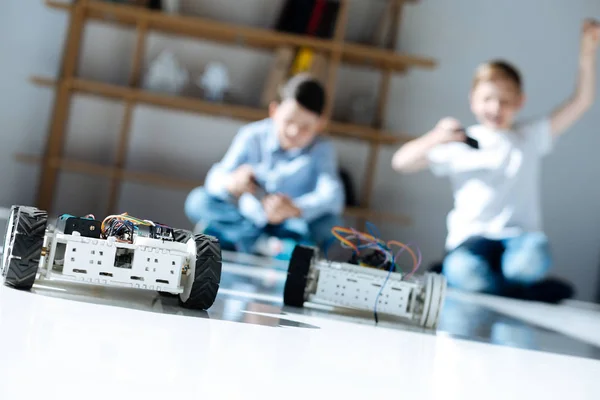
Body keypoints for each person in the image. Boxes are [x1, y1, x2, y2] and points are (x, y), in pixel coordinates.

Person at [391, 20, 600, 295]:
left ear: (520, 101)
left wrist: (588, 51)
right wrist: (436, 136)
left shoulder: (529, 137)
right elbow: (401, 162)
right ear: (473, 100)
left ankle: (511, 286)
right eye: (488, 98)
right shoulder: (458, 141)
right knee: (467, 274)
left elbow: (581, 102)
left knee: (529, 262)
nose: (496, 107)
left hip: (520, 240)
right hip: (470, 241)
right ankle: (523, 291)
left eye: (505, 100)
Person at [185, 73, 345, 257]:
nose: (294, 132)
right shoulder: (252, 135)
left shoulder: (322, 149)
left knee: (330, 224)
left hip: (290, 226)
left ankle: (259, 245)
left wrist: (296, 208)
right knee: (198, 200)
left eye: (305, 127)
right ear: (274, 111)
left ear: (320, 124)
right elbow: (215, 179)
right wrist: (232, 182)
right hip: (248, 221)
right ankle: (265, 245)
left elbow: (333, 196)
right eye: (289, 121)